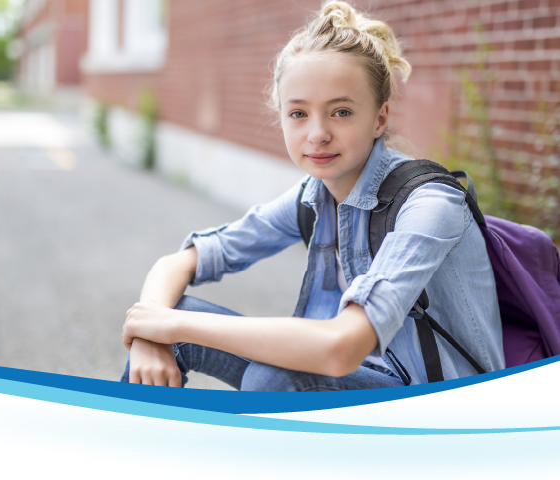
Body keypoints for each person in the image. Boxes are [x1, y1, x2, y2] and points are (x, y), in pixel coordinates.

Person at [119, 1, 505, 391]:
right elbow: (177, 264)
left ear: (380, 118)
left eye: (340, 112)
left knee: (269, 375)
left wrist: (169, 324)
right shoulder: (315, 197)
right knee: (176, 320)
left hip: (440, 412)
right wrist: (151, 335)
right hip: (368, 383)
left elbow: (340, 348)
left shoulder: (429, 206)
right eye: (299, 114)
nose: (317, 133)